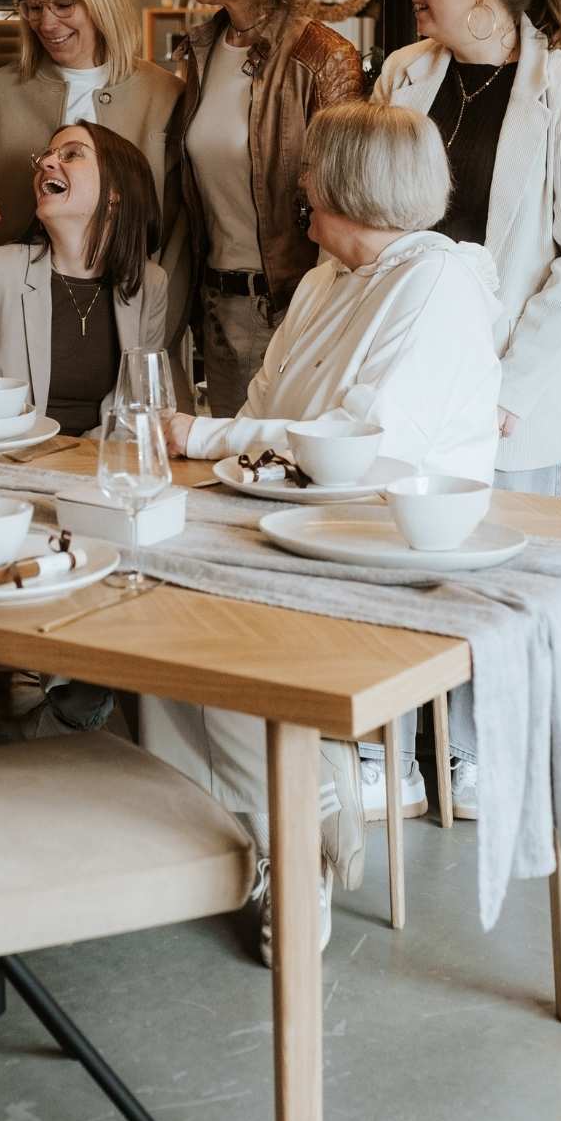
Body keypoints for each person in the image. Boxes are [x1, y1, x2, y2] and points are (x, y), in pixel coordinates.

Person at [145, 99, 501, 964]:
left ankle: (292, 841)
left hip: (391, 540)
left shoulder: (436, 282)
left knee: (216, 624)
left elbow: (364, 443)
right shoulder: (321, 282)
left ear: (346, 185)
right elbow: (266, 406)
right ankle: (261, 824)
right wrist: (233, 445)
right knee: (146, 589)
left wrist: (207, 437)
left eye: (310, 168)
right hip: (292, 519)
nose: (298, 181)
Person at [375, 0, 561, 811]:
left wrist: (506, 386)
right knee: (401, 560)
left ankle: (476, 754)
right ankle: (396, 751)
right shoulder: (404, 74)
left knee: (496, 576)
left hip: (514, 383)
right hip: (411, 361)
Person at [165, 0, 364, 412]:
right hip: (216, 310)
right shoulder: (200, 52)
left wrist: (318, 318)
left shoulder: (322, 59)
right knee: (230, 461)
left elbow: (350, 211)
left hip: (294, 314)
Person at [0, 122, 166, 436]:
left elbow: (145, 406)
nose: (46, 163)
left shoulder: (150, 284)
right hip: (4, 458)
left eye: (71, 154)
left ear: (115, 194)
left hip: (103, 460)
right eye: (46, 156)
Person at [0, 0, 181, 249]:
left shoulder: (165, 96)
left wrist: (157, 286)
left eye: (63, 5)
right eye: (34, 7)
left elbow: (180, 235)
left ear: (101, 0)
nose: (46, 24)